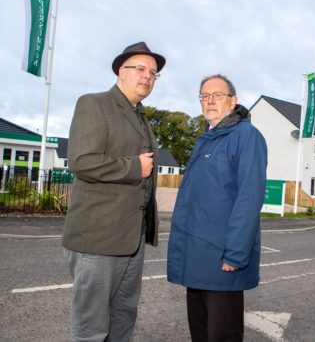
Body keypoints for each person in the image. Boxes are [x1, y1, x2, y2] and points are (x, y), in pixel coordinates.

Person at [62, 41, 165, 341]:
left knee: (123, 321)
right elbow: (82, 161)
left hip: (131, 239)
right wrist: (134, 167)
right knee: (91, 327)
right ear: (122, 71)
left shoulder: (141, 116)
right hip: (98, 239)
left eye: (154, 73)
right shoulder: (94, 104)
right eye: (140, 69)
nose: (148, 76)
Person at [167, 74, 268, 341]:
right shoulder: (207, 138)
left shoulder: (247, 136)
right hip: (196, 258)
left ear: (233, 101)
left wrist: (235, 254)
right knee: (200, 334)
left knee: (222, 336)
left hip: (222, 261)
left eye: (217, 95)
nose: (210, 100)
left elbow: (249, 197)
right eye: (204, 95)